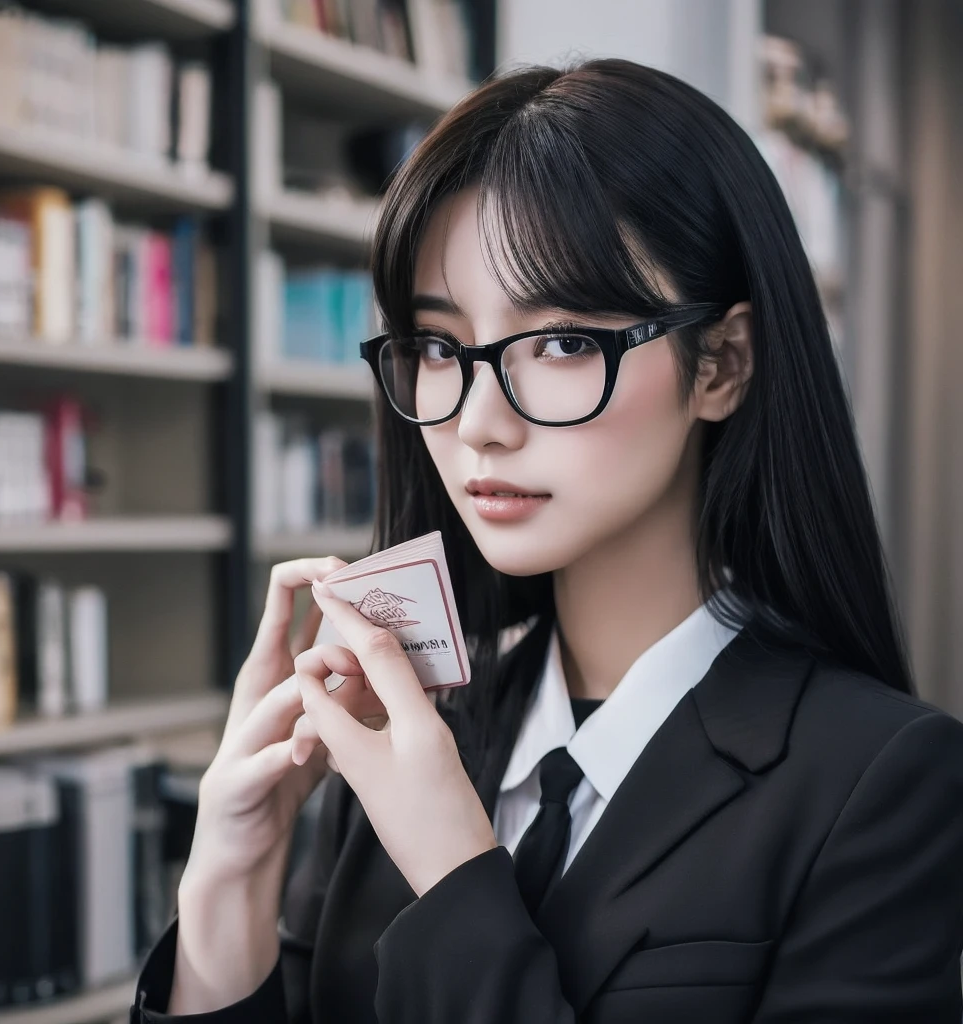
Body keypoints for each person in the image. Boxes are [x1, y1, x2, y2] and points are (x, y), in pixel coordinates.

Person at [131, 59, 963, 1023]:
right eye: (441, 348)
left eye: (565, 341)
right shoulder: (402, 730)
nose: (479, 420)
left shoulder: (882, 779)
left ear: (722, 364)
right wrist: (229, 878)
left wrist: (453, 868)